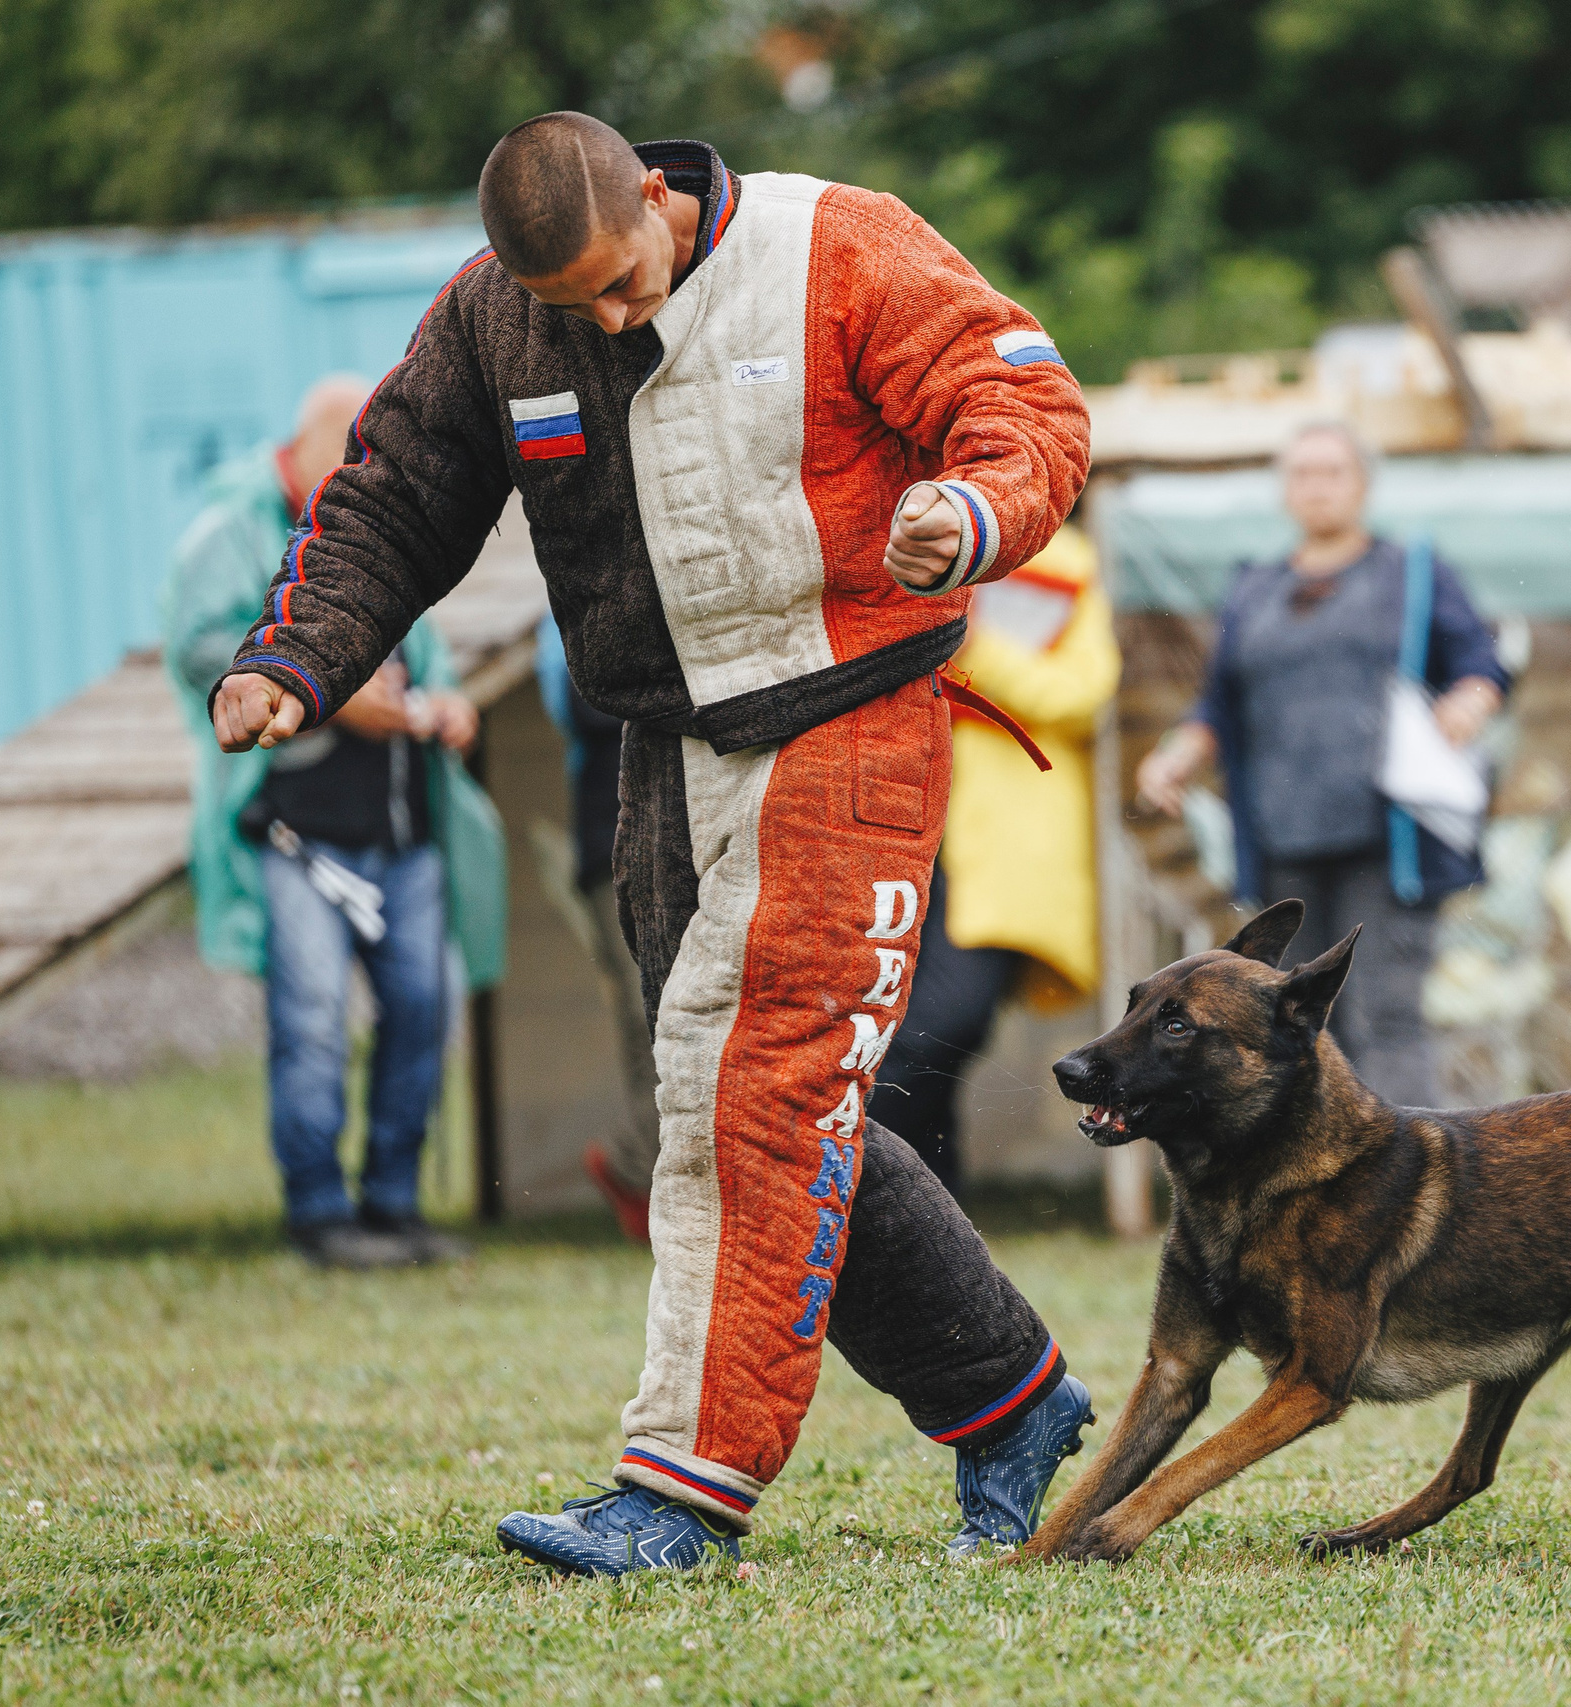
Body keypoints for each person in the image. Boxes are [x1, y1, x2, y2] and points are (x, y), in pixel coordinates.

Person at [204, 114, 1094, 1574]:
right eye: (575, 307)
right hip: (663, 749)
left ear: (660, 196)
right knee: (742, 1099)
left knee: (758, 1088)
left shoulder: (839, 243)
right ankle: (1010, 1399)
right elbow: (394, 493)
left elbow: (1026, 404)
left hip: (849, 715)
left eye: (625, 282)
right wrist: (296, 657)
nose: (613, 321)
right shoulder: (496, 317)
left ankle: (683, 1492)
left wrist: (972, 505)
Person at [162, 376, 506, 1270]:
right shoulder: (233, 528)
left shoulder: (374, 518)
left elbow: (425, 655)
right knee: (312, 1019)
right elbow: (196, 649)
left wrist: (448, 704)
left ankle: (393, 1204)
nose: (366, 468)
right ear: (311, 442)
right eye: (353, 450)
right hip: (297, 831)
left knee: (425, 1008)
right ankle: (318, 1213)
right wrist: (321, 687)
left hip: (403, 827)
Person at [1135, 422, 1509, 1108]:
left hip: (1385, 839)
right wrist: (1178, 755)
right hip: (1283, 842)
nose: (1317, 486)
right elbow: (1219, 701)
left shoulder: (1411, 573)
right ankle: (1321, 1164)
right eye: (1302, 473)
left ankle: (1411, 1159)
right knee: (1300, 1022)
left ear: (1362, 484)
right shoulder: (1254, 587)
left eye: (1333, 471)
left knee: (1385, 1013)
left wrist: (1470, 698)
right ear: (1285, 489)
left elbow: (1480, 661)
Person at [871, 523, 1121, 1189]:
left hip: (996, 842)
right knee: (900, 1029)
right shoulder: (894, 538)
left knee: (941, 1026)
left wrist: (970, 646)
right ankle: (924, 1212)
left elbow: (1081, 693)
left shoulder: (1062, 562)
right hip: (891, 816)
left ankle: (859, 1190)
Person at [531, 613, 660, 1243]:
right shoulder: (561, 616)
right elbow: (583, 703)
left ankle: (643, 1169)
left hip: (688, 840)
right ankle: (638, 1167)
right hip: (610, 847)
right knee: (648, 1017)